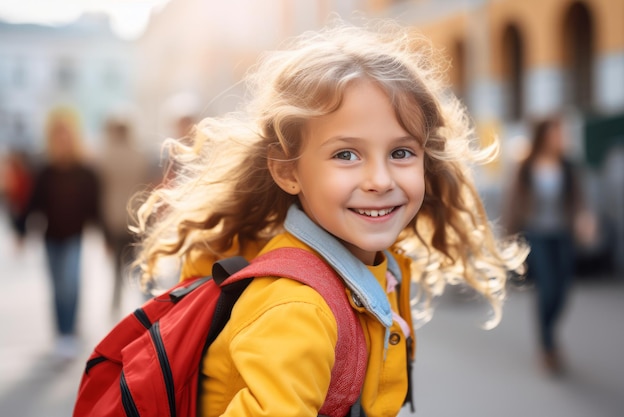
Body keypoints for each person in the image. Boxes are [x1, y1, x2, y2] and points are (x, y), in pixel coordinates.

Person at [132, 19, 528, 416]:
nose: (379, 179)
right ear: (288, 171)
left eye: (401, 152)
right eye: (346, 155)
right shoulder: (297, 309)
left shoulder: (379, 268)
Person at [504, 115, 594, 375]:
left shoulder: (566, 166)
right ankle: (547, 345)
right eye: (556, 133)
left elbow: (578, 199)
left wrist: (583, 218)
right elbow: (513, 204)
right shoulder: (527, 166)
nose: (561, 138)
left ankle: (549, 334)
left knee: (564, 289)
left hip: (562, 234)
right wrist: (509, 242)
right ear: (544, 135)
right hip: (537, 235)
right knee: (548, 288)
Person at [17, 106, 103, 360]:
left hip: (74, 237)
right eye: (58, 134)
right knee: (56, 288)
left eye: (66, 134)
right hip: (50, 238)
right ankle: (61, 334)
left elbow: (94, 206)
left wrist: (105, 236)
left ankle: (70, 333)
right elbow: (33, 202)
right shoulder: (44, 170)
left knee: (71, 285)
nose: (62, 139)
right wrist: (21, 230)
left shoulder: (86, 171)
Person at [97, 115, 150, 316]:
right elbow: (147, 188)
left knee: (116, 270)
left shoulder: (104, 157)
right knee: (140, 267)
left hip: (113, 220)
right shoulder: (140, 155)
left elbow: (100, 194)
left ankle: (115, 306)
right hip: (137, 219)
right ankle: (146, 306)